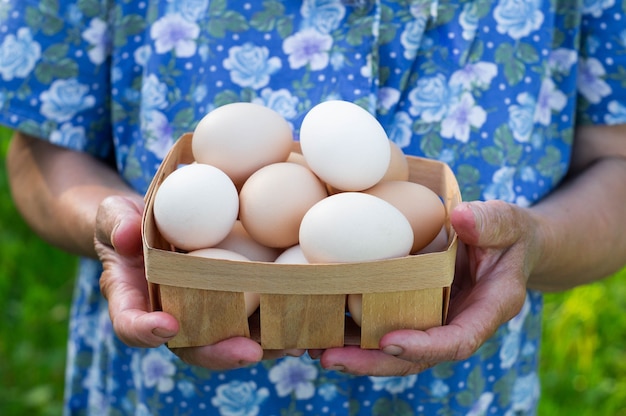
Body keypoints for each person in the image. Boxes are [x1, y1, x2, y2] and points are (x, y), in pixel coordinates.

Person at [2, 0, 626, 414]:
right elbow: (42, 147)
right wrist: (119, 227)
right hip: (166, 383)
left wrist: (535, 242)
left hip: (460, 395)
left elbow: (616, 163)